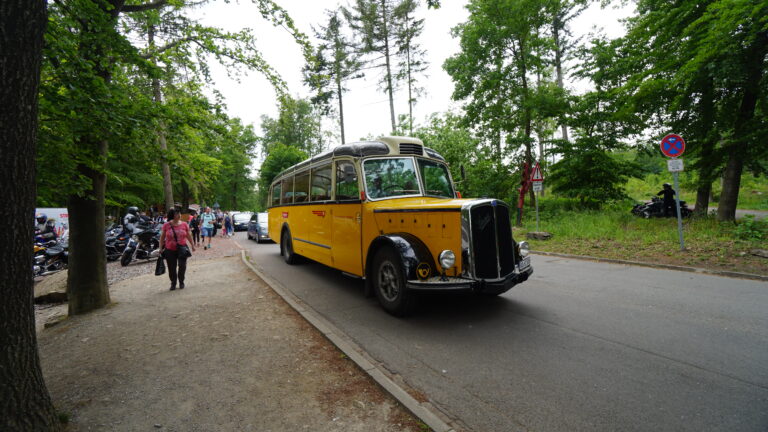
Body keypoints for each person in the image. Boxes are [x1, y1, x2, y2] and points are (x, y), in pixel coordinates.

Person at [159, 208, 195, 291]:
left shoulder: (184, 224)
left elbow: (188, 235)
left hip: (182, 248)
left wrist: (192, 245)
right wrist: (160, 248)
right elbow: (162, 238)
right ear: (172, 216)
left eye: (179, 213)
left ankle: (181, 281)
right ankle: (173, 283)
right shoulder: (166, 225)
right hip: (169, 249)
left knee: (182, 266)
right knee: (172, 268)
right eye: (177, 214)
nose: (179, 215)